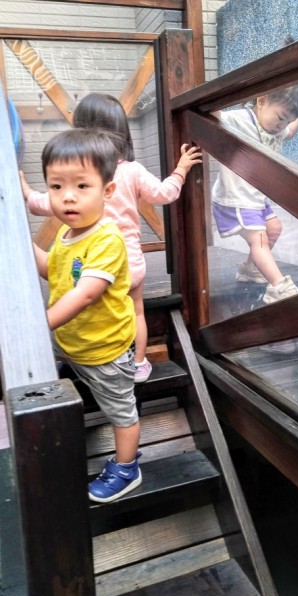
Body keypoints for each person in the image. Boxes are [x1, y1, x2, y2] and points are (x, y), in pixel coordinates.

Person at [21, 92, 202, 383]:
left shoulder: (83, 176)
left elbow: (45, 204)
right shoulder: (132, 171)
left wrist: (27, 192)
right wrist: (181, 169)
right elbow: (165, 193)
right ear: (122, 131)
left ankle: (83, 358)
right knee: (136, 312)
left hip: (89, 262)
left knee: (86, 307)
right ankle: (139, 363)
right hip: (129, 263)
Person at [32, 127, 142, 503]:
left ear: (107, 191)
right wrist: (23, 245)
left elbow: (85, 294)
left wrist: (39, 325)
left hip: (105, 350)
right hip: (74, 343)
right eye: (56, 186)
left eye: (81, 186)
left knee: (121, 412)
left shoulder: (107, 238)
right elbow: (53, 271)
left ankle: (127, 467)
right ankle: (71, 369)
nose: (68, 196)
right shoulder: (67, 233)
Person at [212, 82, 298, 308]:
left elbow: (290, 132)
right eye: (280, 118)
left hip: (257, 198)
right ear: (261, 101)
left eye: (286, 121)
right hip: (236, 197)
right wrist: (224, 91)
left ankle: (250, 269)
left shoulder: (276, 129)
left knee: (274, 229)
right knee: (258, 240)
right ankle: (279, 287)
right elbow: (214, 114)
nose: (281, 126)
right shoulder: (241, 119)